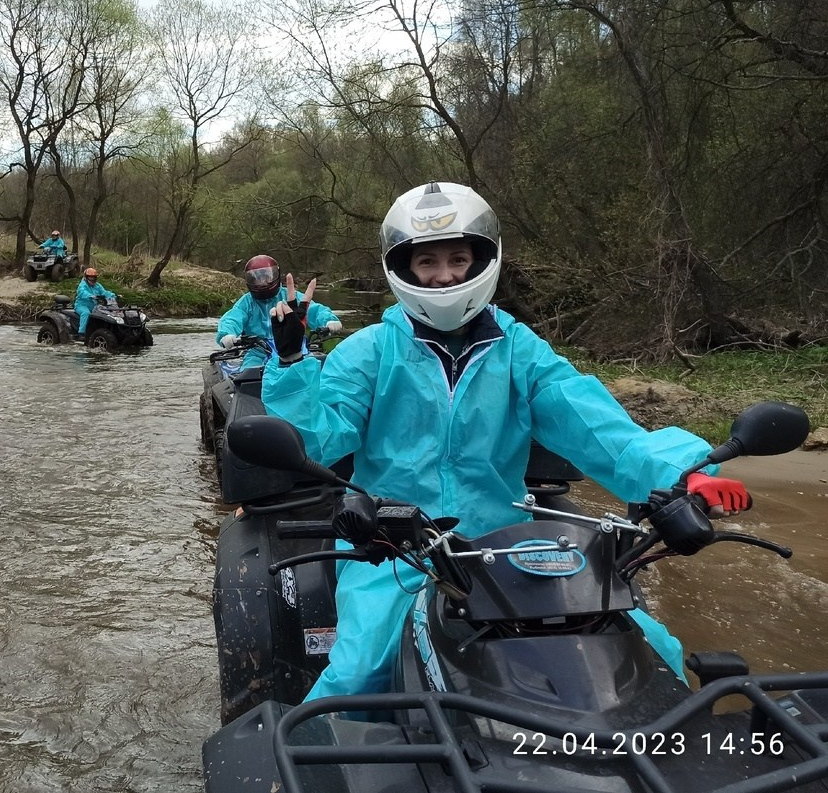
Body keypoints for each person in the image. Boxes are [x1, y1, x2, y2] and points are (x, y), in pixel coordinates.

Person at [262, 180, 751, 701]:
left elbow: (596, 426)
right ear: (404, 269)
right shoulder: (369, 351)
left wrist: (685, 474)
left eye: (458, 258)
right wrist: (293, 363)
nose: (445, 275)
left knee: (655, 653)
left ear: (482, 261)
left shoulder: (520, 348)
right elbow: (320, 436)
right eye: (428, 262)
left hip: (500, 545)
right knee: (358, 676)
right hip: (392, 546)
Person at [215, 254, 341, 370]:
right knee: (249, 372)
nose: (263, 283)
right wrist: (227, 333)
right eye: (256, 279)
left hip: (294, 345)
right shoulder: (246, 302)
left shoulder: (291, 296)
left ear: (277, 275)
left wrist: (329, 320)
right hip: (258, 350)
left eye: (267, 277)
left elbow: (314, 310)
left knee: (312, 369)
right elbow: (233, 317)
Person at [75, 267, 117, 335]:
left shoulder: (97, 285)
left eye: (94, 277)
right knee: (86, 313)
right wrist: (91, 296)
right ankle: (81, 333)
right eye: (90, 277)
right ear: (86, 277)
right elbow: (82, 292)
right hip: (81, 305)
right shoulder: (82, 285)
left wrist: (113, 295)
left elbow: (104, 292)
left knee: (105, 313)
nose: (92, 279)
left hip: (94, 306)